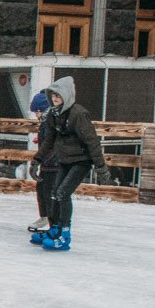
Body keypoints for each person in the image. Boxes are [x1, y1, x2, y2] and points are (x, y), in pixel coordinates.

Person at [32, 77, 110, 251]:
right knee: (54, 193)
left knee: (62, 193)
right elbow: (49, 140)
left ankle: (65, 235)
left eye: (59, 95)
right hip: (65, 160)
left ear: (66, 95)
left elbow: (92, 141)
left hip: (81, 161)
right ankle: (55, 229)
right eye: (53, 95)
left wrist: (101, 167)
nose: (55, 99)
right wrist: (37, 159)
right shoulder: (54, 114)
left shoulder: (78, 114)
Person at [28, 91, 58, 242]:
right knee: (41, 189)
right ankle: (44, 217)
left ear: (40, 110)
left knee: (48, 192)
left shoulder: (50, 121)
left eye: (35, 112)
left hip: (53, 164)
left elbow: (53, 142)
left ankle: (52, 223)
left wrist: (45, 159)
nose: (35, 115)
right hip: (46, 162)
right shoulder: (45, 122)